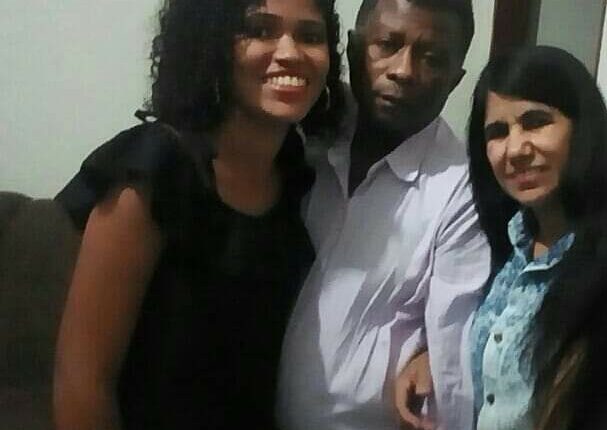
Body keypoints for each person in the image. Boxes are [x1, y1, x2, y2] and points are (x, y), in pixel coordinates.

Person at [52, 0, 343, 428]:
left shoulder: (301, 179)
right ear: (210, 44)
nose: (290, 52)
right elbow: (82, 382)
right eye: (260, 30)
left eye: (310, 36)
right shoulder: (158, 167)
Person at [277, 1, 490, 429]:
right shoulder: (300, 135)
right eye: (387, 45)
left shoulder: (462, 191)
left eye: (432, 58)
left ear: (455, 79)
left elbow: (451, 355)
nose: (403, 71)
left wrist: (429, 355)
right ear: (354, 50)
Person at [467, 45, 607, 430]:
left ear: (582, 128)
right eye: (498, 132)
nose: (516, 149)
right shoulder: (505, 247)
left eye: (535, 122)